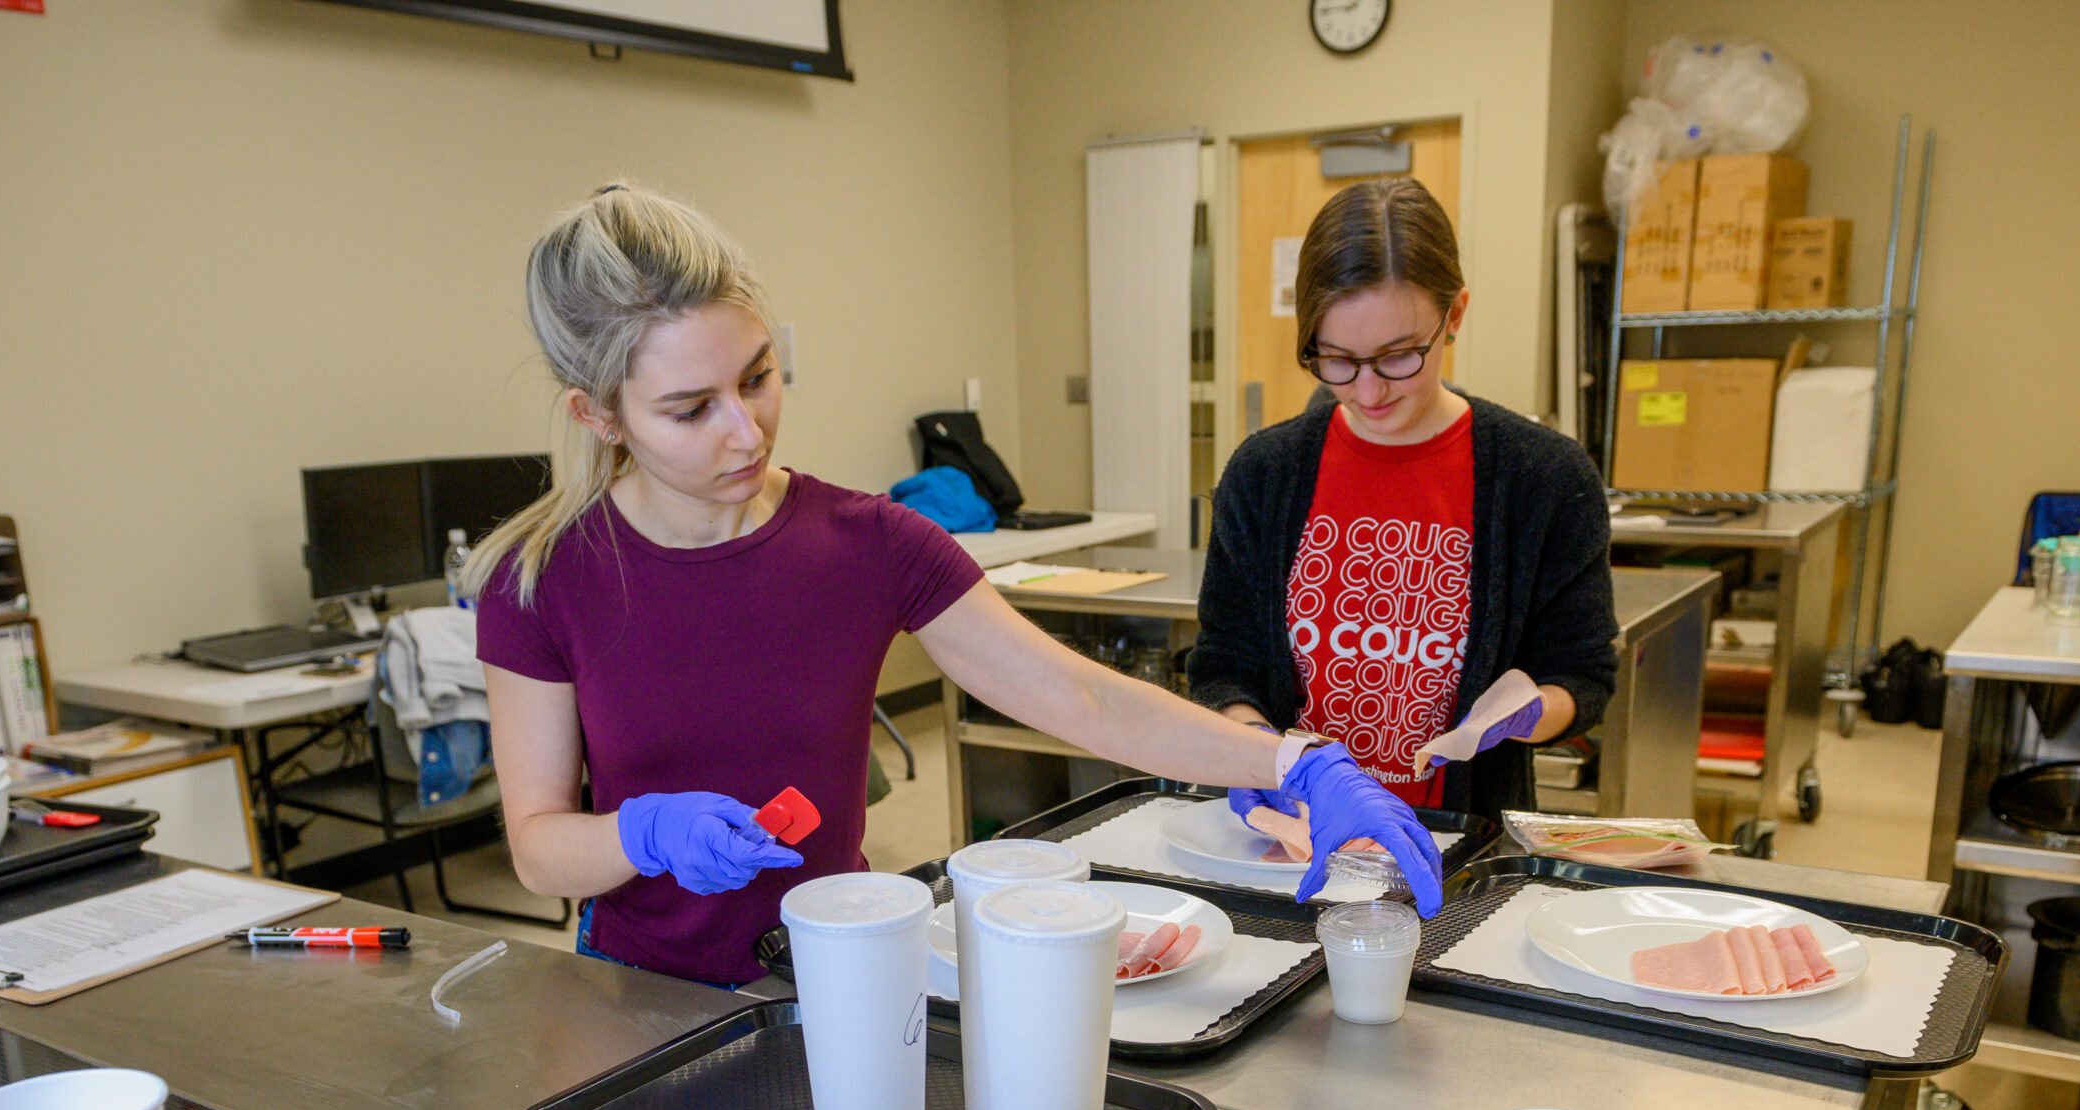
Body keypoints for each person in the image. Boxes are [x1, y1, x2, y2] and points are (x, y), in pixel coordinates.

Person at [464, 184, 1445, 987]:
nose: (746, 430)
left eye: (758, 377)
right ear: (597, 414)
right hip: (630, 988)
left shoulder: (866, 543)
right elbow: (540, 849)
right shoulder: (541, 579)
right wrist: (642, 831)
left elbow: (1082, 697)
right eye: (689, 408)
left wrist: (1294, 763)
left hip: (832, 964)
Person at [1188, 177, 1618, 825]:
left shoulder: (1545, 478)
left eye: (1398, 356)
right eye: (1336, 359)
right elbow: (1224, 666)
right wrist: (1266, 759)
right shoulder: (1264, 473)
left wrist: (1529, 709)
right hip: (1294, 835)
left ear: (1457, 314)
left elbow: (1583, 676)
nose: (1368, 390)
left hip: (1456, 843)